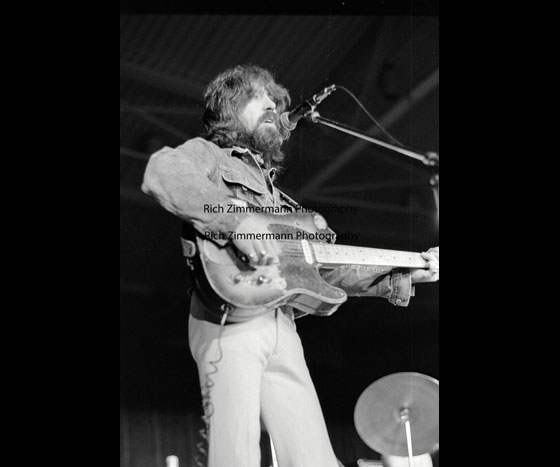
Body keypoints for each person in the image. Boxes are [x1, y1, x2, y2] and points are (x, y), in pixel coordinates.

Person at [141, 64, 439, 467]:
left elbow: (326, 270)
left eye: (273, 100)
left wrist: (405, 272)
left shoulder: (283, 203)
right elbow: (163, 172)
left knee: (314, 457)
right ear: (229, 107)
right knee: (236, 454)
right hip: (230, 314)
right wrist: (237, 223)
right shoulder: (209, 154)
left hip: (282, 321)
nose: (271, 104)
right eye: (258, 96)